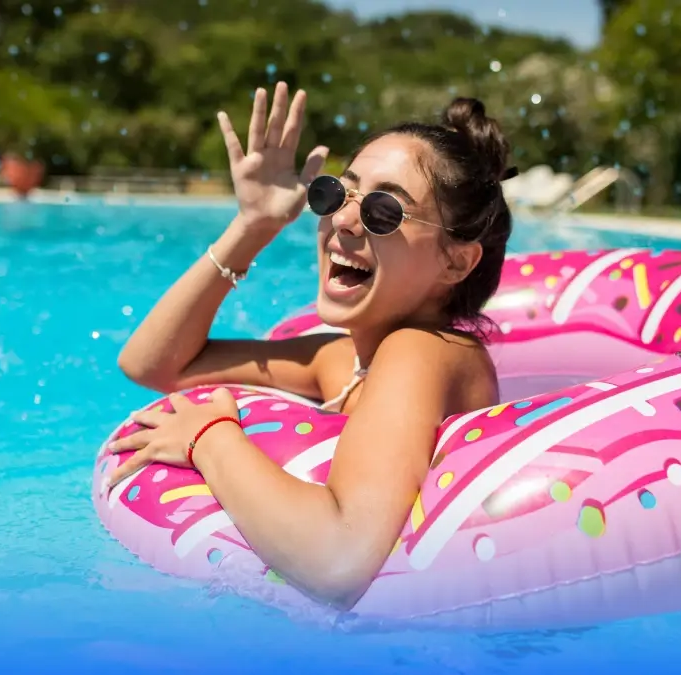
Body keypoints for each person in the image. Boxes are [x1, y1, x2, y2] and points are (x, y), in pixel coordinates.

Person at [108, 82, 514, 610]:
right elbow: (152, 364)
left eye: (385, 211)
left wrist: (209, 438)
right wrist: (253, 226)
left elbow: (338, 561)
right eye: (335, 194)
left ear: (456, 262)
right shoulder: (340, 359)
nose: (342, 220)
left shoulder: (422, 351)